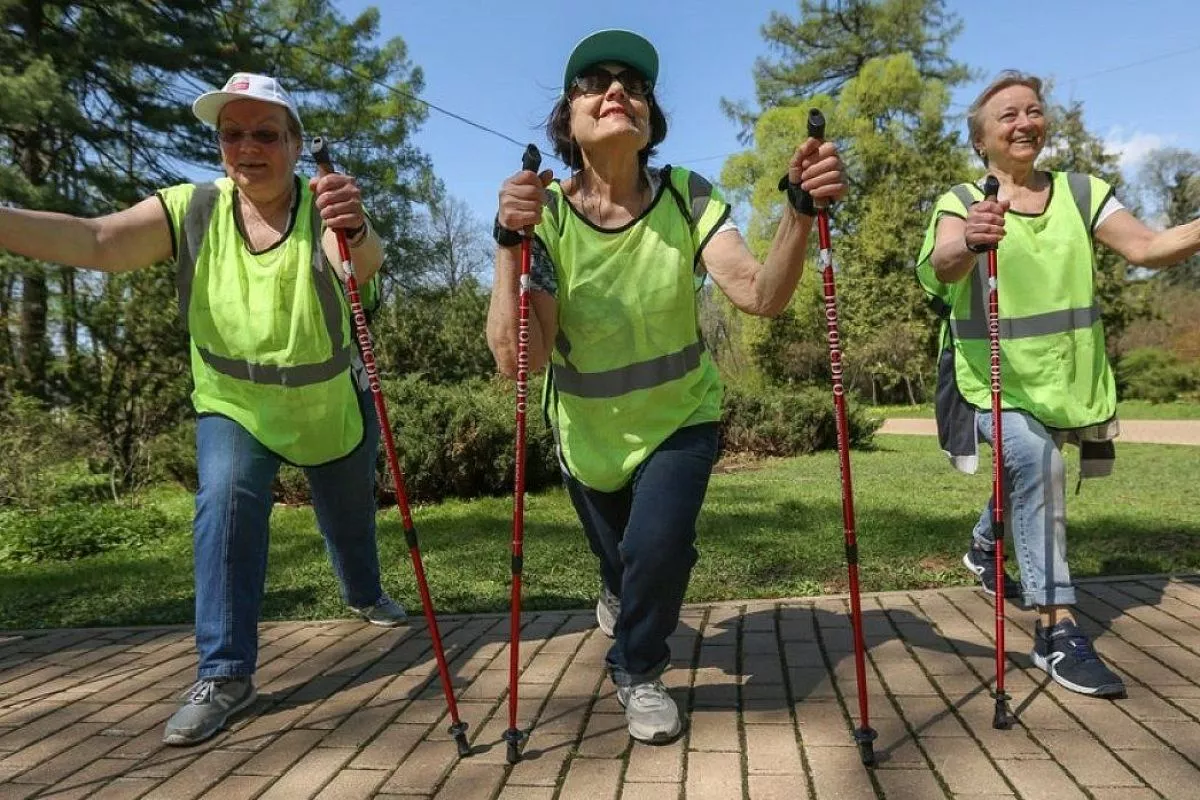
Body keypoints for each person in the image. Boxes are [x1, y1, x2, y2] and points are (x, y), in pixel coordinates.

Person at [0, 72, 408, 745]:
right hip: (233, 402)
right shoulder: (191, 208)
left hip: (328, 403)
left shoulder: (326, 205)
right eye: (232, 133)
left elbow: (361, 265)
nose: (248, 147)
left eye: (266, 133)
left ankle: (363, 593)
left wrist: (355, 226)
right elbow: (97, 241)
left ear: (296, 145)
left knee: (349, 520)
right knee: (222, 504)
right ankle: (225, 673)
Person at [487, 29, 846, 743]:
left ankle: (638, 670)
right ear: (568, 117)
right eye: (596, 80)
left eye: (636, 84)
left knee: (660, 546)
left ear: (650, 118)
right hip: (586, 434)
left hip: (682, 415)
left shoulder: (687, 196)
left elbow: (761, 294)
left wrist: (800, 212)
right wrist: (507, 245)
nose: (619, 90)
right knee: (624, 564)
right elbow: (519, 360)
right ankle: (622, 598)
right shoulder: (548, 216)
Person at [915, 71, 1200, 698]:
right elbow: (940, 263)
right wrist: (969, 238)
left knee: (1030, 474)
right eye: (1007, 116)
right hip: (986, 380)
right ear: (981, 141)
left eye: (1033, 111)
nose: (1024, 123)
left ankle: (987, 545)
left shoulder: (1081, 192)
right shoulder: (963, 199)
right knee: (1038, 465)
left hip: (1063, 381)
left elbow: (1149, 248)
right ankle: (1057, 629)